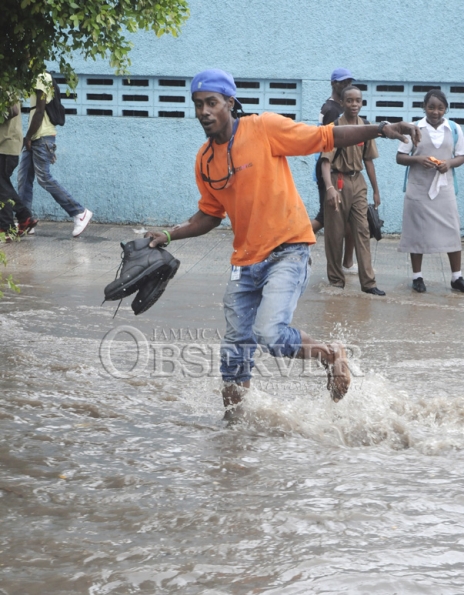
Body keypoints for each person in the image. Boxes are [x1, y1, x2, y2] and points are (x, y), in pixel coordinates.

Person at [144, 69, 420, 417]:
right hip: (244, 264)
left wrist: (380, 128)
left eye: (211, 103)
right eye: (198, 104)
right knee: (233, 353)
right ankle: (234, 433)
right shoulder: (204, 160)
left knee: (270, 334)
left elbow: (325, 136)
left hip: (289, 250)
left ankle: (330, 353)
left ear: (229, 103)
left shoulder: (263, 128)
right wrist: (169, 235)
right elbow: (210, 215)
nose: (204, 112)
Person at [397, 89, 464, 293]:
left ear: (446, 109)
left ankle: (456, 277)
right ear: (424, 107)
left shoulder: (454, 128)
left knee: (452, 229)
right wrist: (418, 159)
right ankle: (417, 277)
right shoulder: (414, 128)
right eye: (431, 107)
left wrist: (449, 163)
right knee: (417, 231)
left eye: (440, 108)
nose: (436, 112)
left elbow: (461, 155)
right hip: (418, 189)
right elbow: (400, 157)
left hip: (443, 188)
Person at [320, 85, 385, 295]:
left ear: (362, 102)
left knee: (362, 231)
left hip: (358, 182)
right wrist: (329, 188)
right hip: (337, 182)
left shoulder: (366, 127)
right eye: (350, 100)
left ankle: (369, 283)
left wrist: (375, 190)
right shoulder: (334, 128)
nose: (354, 104)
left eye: (358, 100)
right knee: (335, 234)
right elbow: (325, 163)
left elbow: (369, 161)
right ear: (342, 102)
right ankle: (336, 281)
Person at [17, 72, 93, 237]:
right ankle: (25, 220)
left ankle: (80, 212)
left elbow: (39, 111)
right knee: (23, 178)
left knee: (44, 178)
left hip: (41, 136)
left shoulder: (42, 78)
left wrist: (28, 136)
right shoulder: (37, 78)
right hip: (37, 137)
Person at [312, 67, 357, 274]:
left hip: (339, 170)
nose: (346, 84)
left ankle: (347, 263)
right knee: (325, 217)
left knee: (347, 218)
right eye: (342, 81)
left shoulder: (339, 106)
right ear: (333, 84)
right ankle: (293, 243)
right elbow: (330, 143)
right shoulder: (332, 110)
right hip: (331, 169)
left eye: (349, 81)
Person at [0, 101, 37, 241]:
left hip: (5, 145)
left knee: (2, 187)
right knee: (3, 187)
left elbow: (13, 109)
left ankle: (10, 226)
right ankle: (15, 222)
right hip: (7, 144)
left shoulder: (5, 84)